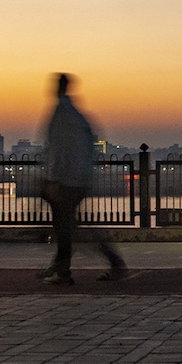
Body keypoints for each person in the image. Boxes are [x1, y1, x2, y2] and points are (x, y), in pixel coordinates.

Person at [40, 73, 126, 285]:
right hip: (79, 177)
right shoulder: (77, 114)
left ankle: (69, 268)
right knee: (68, 226)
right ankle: (62, 268)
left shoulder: (61, 113)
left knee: (68, 227)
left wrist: (52, 178)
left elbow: (57, 150)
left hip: (66, 180)